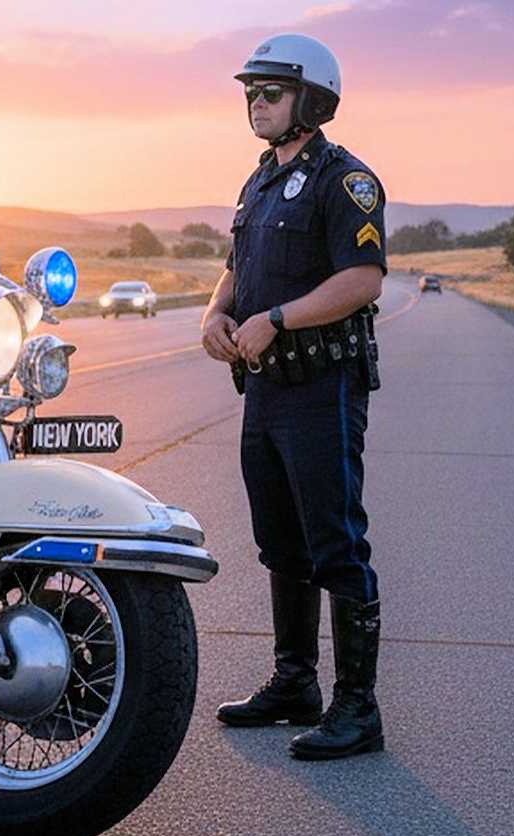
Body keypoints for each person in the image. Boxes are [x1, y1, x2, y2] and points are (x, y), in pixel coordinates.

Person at [198, 33, 387, 760]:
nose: (255, 103)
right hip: (266, 393)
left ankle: (358, 708)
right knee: (281, 543)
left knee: (335, 540)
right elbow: (236, 266)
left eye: (269, 92)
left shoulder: (347, 181)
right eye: (249, 92)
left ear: (310, 100)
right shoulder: (259, 182)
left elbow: (364, 280)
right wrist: (217, 314)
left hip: (322, 388)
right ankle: (294, 683)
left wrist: (275, 319)